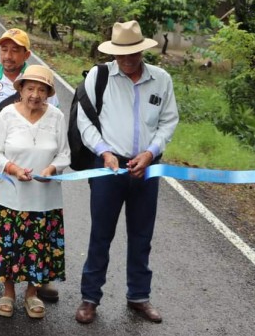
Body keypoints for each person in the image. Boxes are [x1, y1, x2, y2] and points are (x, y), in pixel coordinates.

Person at [74, 20, 179, 324]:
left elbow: (168, 121)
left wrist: (150, 153)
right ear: (114, 52)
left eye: (133, 52)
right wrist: (105, 153)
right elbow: (85, 121)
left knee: (142, 234)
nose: (127, 59)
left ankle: (139, 297)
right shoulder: (99, 76)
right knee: (101, 234)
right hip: (109, 166)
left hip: (147, 168)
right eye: (121, 53)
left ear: (142, 51)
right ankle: (90, 298)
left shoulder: (161, 80)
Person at [0, 65, 70, 319]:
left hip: (45, 198)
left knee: (39, 247)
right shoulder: (7, 115)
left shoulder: (56, 117)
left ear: (48, 93)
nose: (35, 94)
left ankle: (32, 294)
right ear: (20, 89)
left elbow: (64, 153)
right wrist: (12, 168)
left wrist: (53, 168)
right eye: (30, 88)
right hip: (11, 195)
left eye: (41, 89)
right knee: (10, 247)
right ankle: (8, 293)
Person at [0, 28, 59, 301]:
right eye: (3, 49)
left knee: (40, 222)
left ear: (26, 54)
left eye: (15, 50)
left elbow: (53, 121)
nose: (8, 55)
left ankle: (41, 277)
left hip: (39, 167)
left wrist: (52, 166)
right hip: (0, 159)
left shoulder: (41, 80)